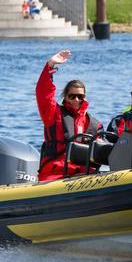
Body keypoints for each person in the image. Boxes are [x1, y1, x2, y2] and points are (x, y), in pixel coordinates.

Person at [35, 50, 102, 181]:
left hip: (84, 173)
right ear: (65, 97)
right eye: (72, 96)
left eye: (80, 96)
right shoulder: (53, 114)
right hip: (56, 173)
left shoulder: (94, 124)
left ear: (85, 97)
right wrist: (50, 65)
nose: (76, 100)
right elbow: (43, 94)